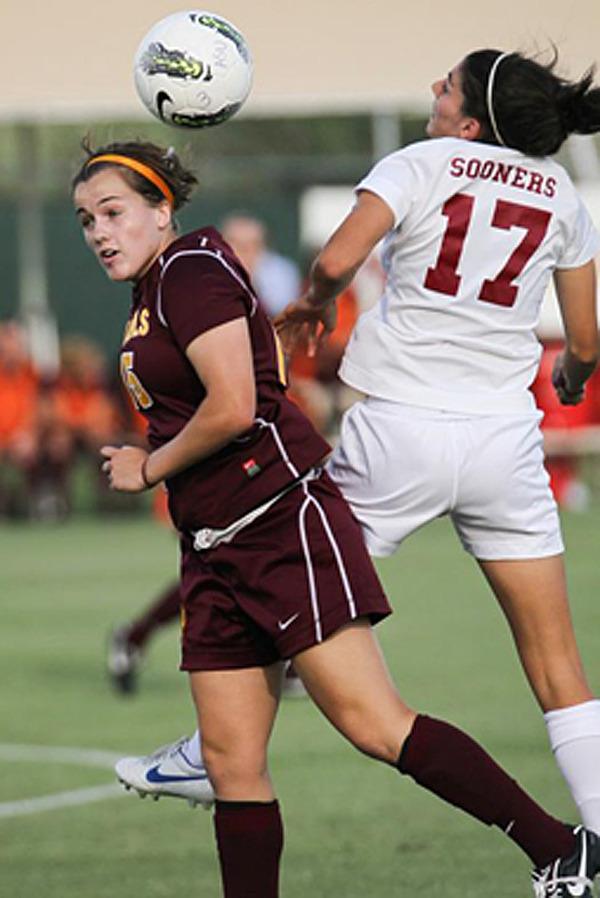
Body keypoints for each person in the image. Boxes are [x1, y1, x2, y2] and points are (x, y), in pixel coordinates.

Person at [72, 137, 600, 898]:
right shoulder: (156, 286)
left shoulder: (190, 271)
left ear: (162, 210)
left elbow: (235, 406)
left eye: (114, 212)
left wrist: (147, 466)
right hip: (214, 542)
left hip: (278, 525)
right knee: (231, 764)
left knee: (375, 725)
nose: (99, 232)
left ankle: (559, 848)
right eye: (87, 220)